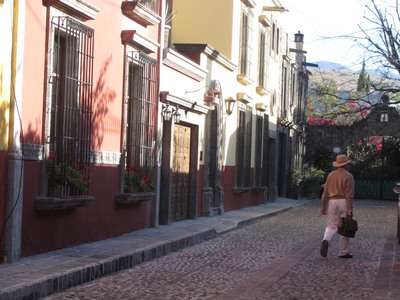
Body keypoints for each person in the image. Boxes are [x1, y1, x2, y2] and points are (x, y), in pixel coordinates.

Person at [320, 154, 355, 258]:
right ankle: (343, 252)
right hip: (343, 201)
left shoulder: (330, 175)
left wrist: (323, 206)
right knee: (345, 226)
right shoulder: (348, 176)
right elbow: (349, 195)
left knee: (331, 225)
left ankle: (326, 240)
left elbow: (325, 192)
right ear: (346, 165)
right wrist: (350, 209)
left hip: (332, 202)